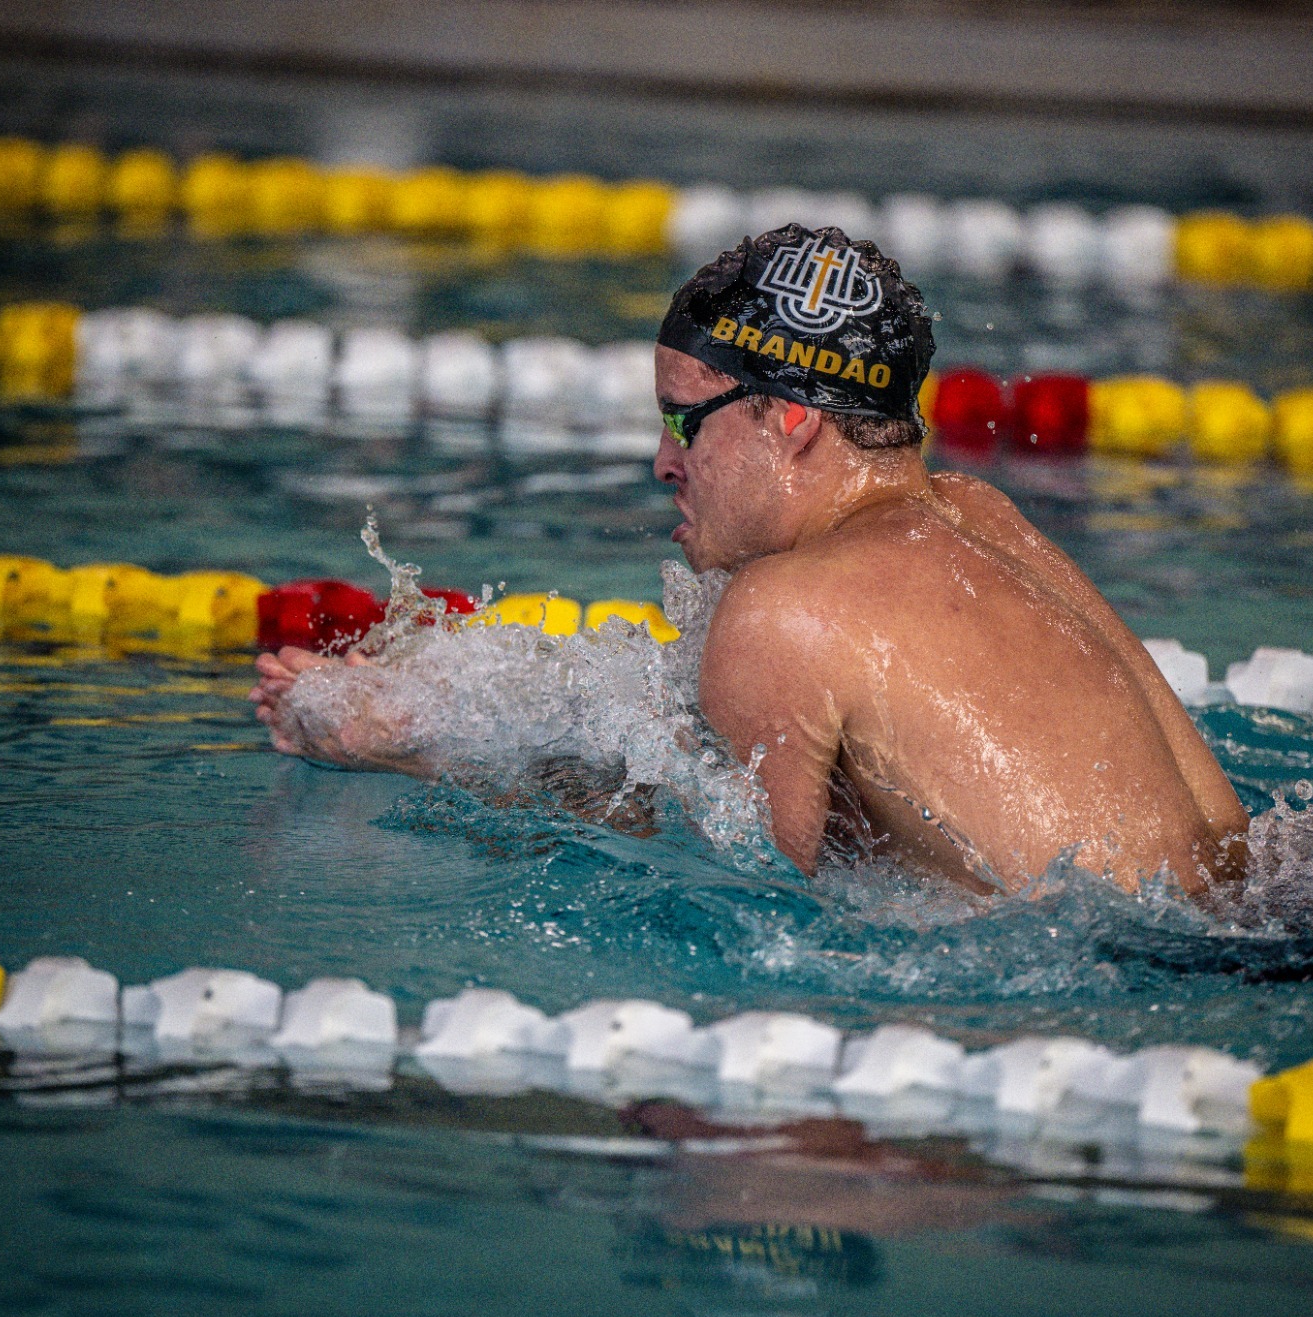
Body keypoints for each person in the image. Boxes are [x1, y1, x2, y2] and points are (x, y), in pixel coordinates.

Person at [252, 224, 1248, 894]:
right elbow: (1220, 855)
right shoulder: (985, 516)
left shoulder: (785, 614)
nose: (660, 461)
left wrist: (417, 741)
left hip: (1113, 986)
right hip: (1260, 920)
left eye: (683, 420)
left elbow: (745, 886)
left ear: (789, 419)